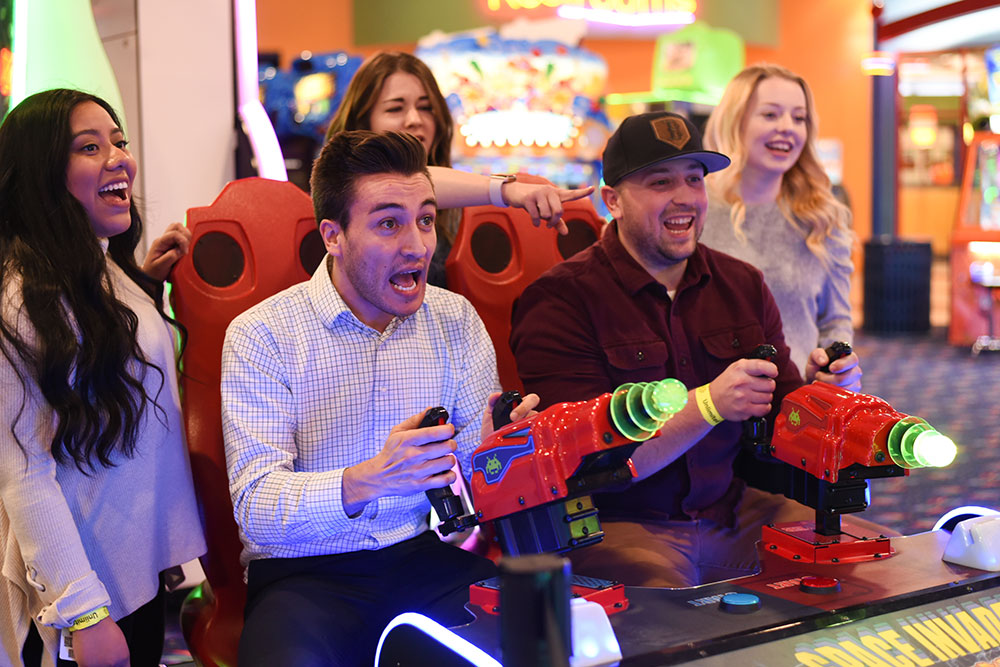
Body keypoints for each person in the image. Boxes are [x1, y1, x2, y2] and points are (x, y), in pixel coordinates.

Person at [222, 130, 541, 666]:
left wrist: (496, 445)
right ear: (333, 235)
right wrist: (372, 477)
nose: (416, 245)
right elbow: (255, 506)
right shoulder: (263, 334)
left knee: (537, 639)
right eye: (389, 223)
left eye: (424, 218)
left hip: (427, 559)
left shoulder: (455, 320)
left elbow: (468, 492)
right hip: (306, 574)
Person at [509, 111, 863, 588]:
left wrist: (827, 395)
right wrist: (710, 404)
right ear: (612, 200)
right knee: (671, 626)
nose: (684, 198)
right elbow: (583, 466)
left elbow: (784, 418)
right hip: (618, 524)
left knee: (865, 566)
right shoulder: (559, 299)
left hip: (734, 510)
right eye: (659, 182)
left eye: (694, 180)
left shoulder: (741, 284)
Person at [0, 89, 206, 666]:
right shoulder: (21, 300)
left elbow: (98, 360)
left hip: (130, 578)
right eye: (89, 147)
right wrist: (84, 612)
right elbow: (24, 473)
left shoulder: (99, 267)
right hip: (81, 598)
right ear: (43, 175)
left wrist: (143, 285)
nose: (118, 158)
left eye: (119, 141)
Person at [325, 50, 594, 287]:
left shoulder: (458, 206)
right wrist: (508, 190)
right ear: (363, 121)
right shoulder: (342, 188)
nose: (414, 119)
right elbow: (408, 184)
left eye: (426, 108)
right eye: (396, 108)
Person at [701, 64, 858, 386]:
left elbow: (835, 323)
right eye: (771, 115)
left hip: (795, 409)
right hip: (708, 410)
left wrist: (836, 367)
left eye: (799, 118)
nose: (787, 127)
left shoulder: (823, 217)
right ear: (736, 121)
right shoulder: (694, 208)